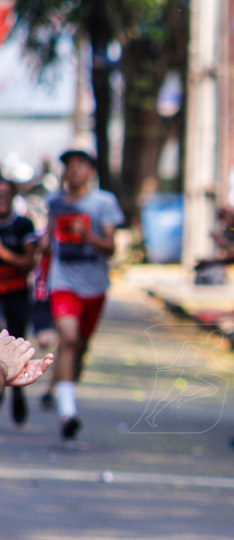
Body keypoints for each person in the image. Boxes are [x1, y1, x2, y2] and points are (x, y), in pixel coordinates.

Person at [44, 149, 124, 439]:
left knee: (80, 347)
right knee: (68, 337)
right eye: (69, 166)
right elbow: (49, 236)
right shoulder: (54, 202)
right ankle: (68, 412)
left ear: (91, 171)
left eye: (80, 165)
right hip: (63, 282)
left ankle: (61, 388)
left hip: (95, 285)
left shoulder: (104, 202)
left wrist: (88, 235)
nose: (74, 170)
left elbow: (112, 247)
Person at [0, 176, 39, 423]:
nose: (1, 198)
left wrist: (4, 254)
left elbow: (29, 264)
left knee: (16, 345)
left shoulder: (24, 225)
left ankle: (17, 393)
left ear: (14, 197)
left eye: (6, 194)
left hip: (16, 295)